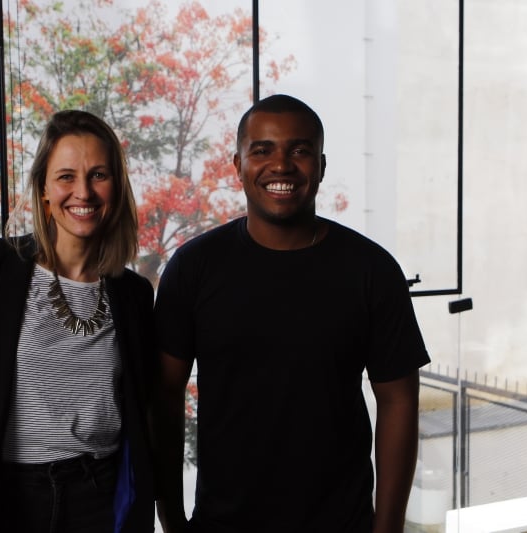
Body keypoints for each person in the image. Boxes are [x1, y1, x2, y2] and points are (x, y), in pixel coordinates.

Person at [151, 94, 430, 533]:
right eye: (262, 150)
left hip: (342, 522)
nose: (281, 164)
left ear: (320, 165)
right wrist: (170, 519)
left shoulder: (372, 270)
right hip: (223, 523)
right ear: (237, 164)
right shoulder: (193, 268)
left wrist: (388, 527)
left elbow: (398, 400)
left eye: (299, 150)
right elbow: (164, 398)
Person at [0, 110, 156, 533]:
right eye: (66, 177)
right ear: (43, 189)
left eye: (98, 175)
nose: (83, 192)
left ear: (116, 186)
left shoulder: (132, 293)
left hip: (100, 498)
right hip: (5, 500)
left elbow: (144, 412)